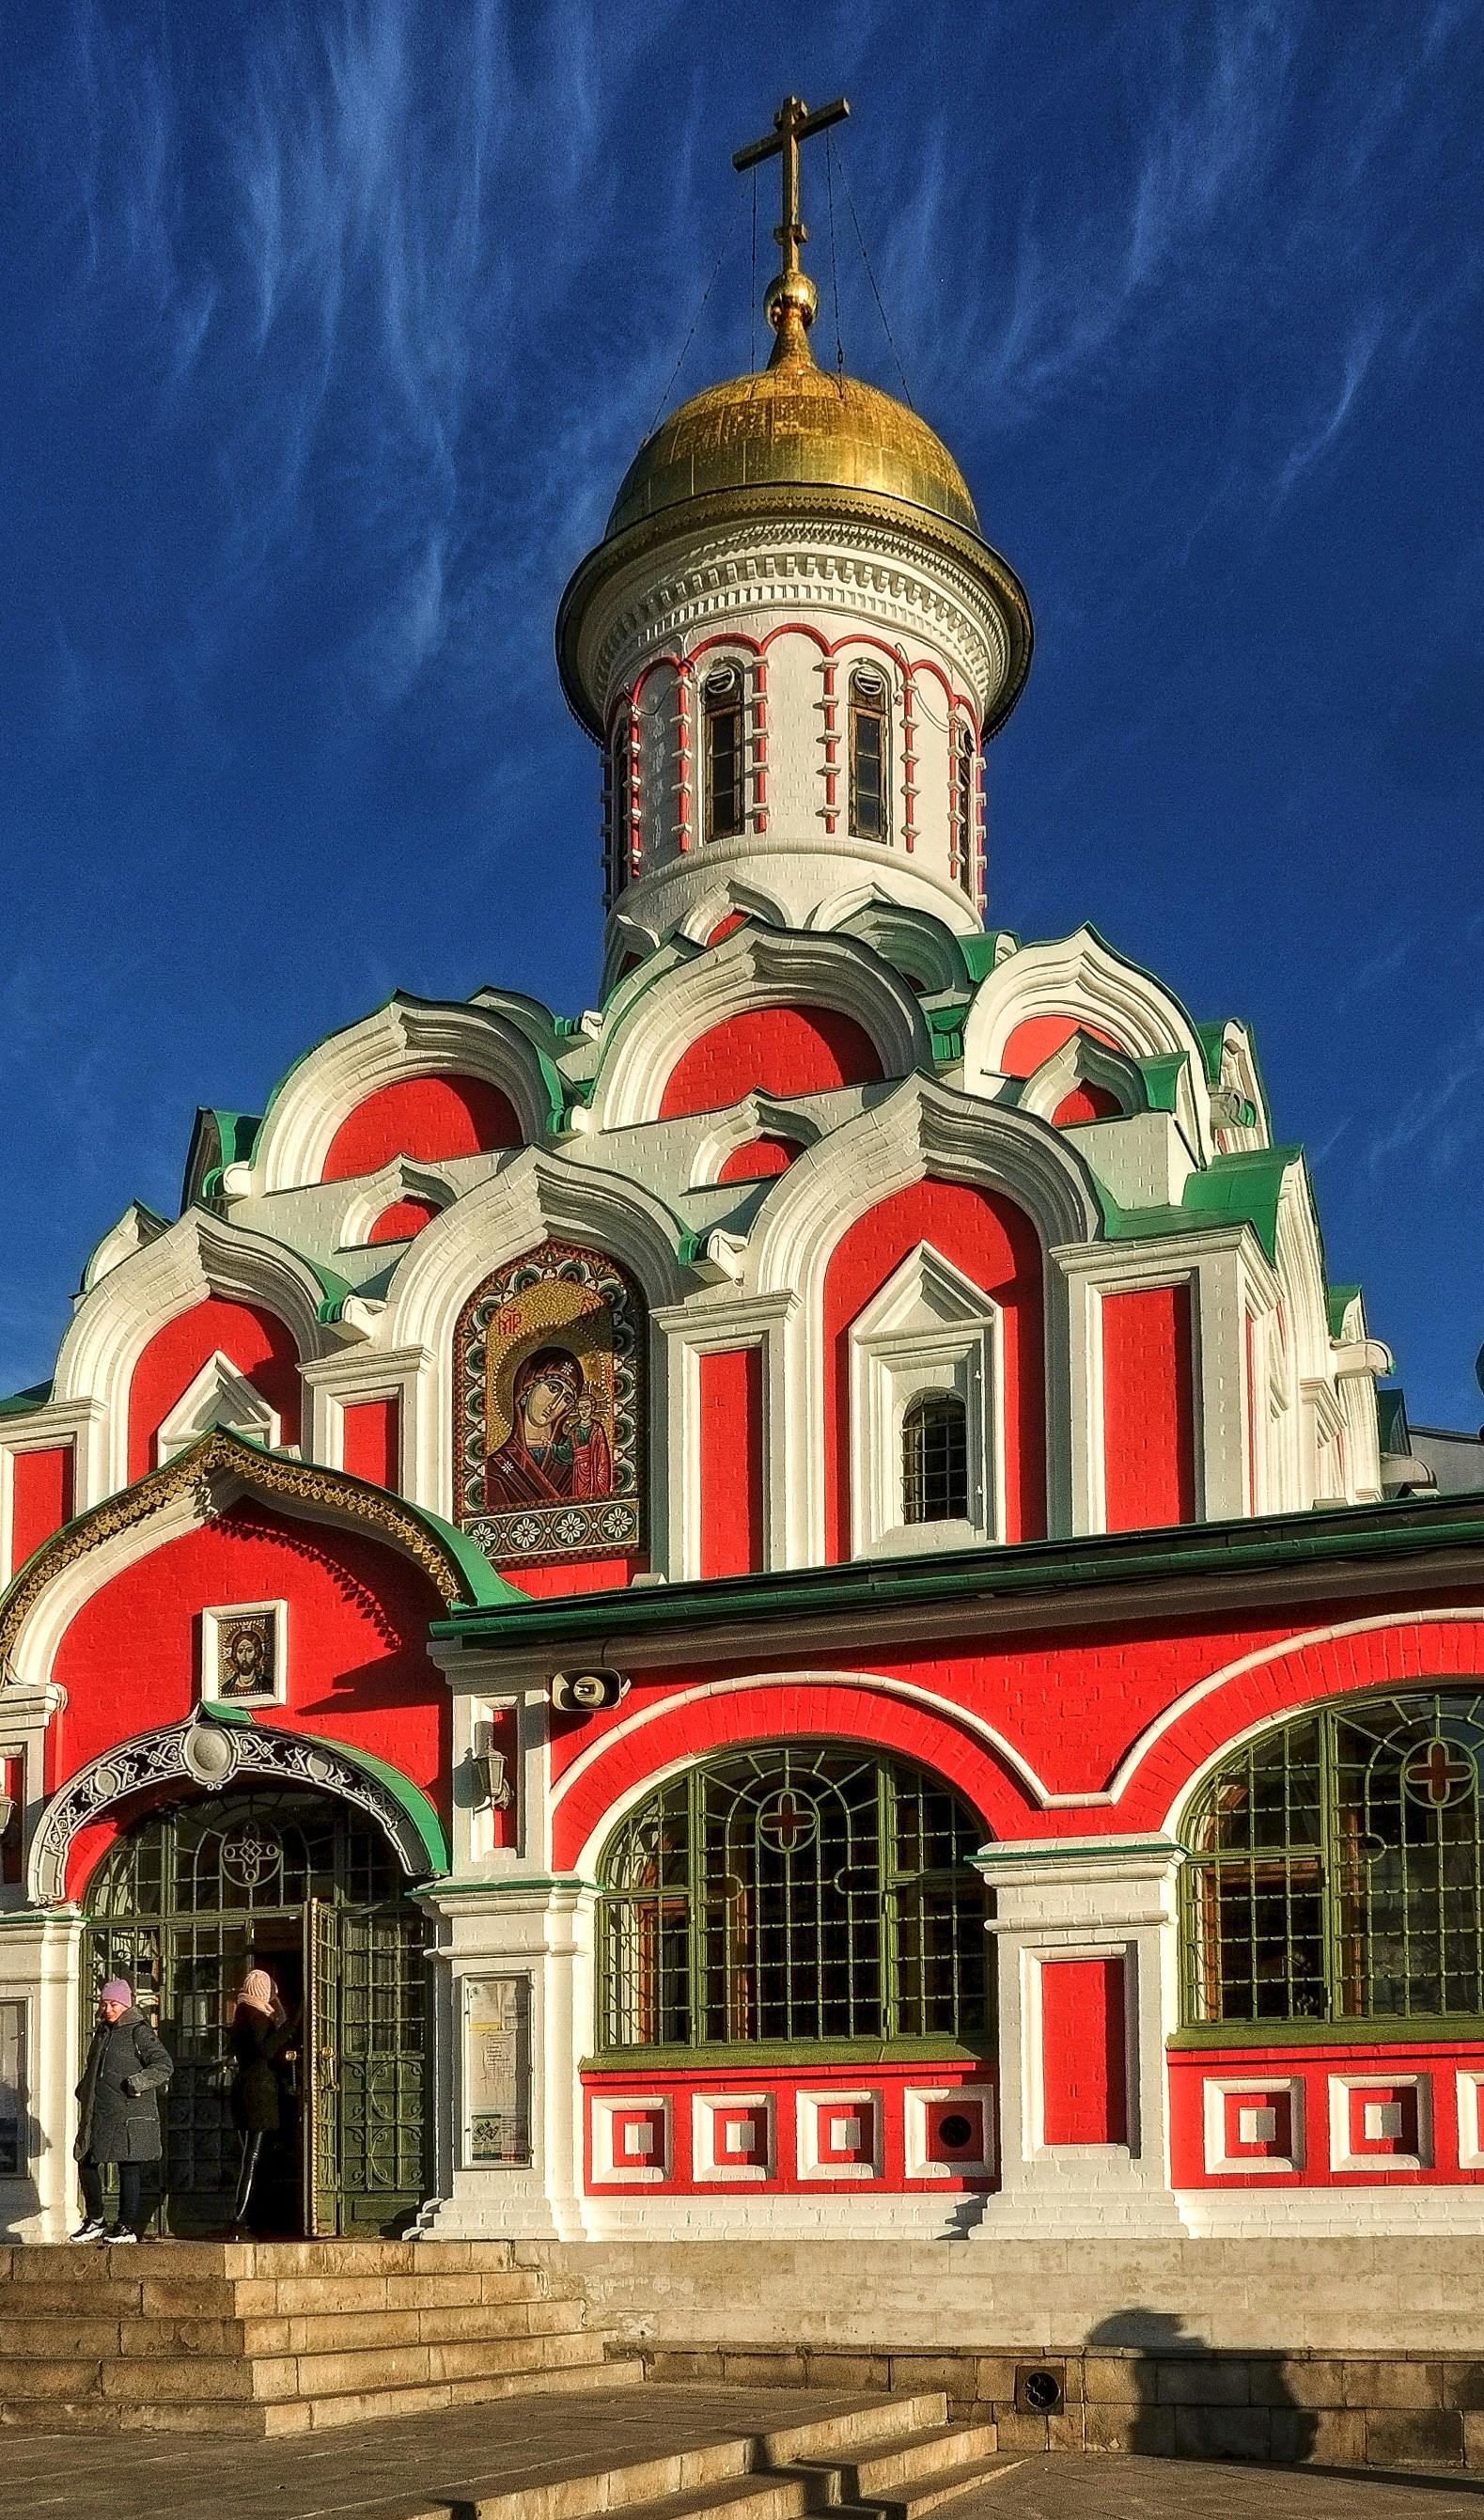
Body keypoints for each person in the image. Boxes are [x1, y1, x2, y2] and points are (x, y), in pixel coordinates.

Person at [71, 1978, 172, 2244]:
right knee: (86, 2159)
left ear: (125, 2005)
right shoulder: (103, 2033)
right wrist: (84, 2089)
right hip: (100, 2111)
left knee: (128, 2166)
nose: (108, 2009)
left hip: (129, 2112)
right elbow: (94, 2068)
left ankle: (126, 2225)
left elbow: (163, 2064)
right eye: (105, 2004)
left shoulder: (138, 2031)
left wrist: (138, 2082)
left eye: (113, 2003)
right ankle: (96, 2220)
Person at [227, 1967, 288, 2237]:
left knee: (251, 2157)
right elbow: (266, 2050)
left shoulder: (241, 2014)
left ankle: (250, 2218)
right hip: (257, 2094)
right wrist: (289, 2024)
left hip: (245, 2092)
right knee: (252, 2159)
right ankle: (240, 2218)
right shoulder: (255, 2017)